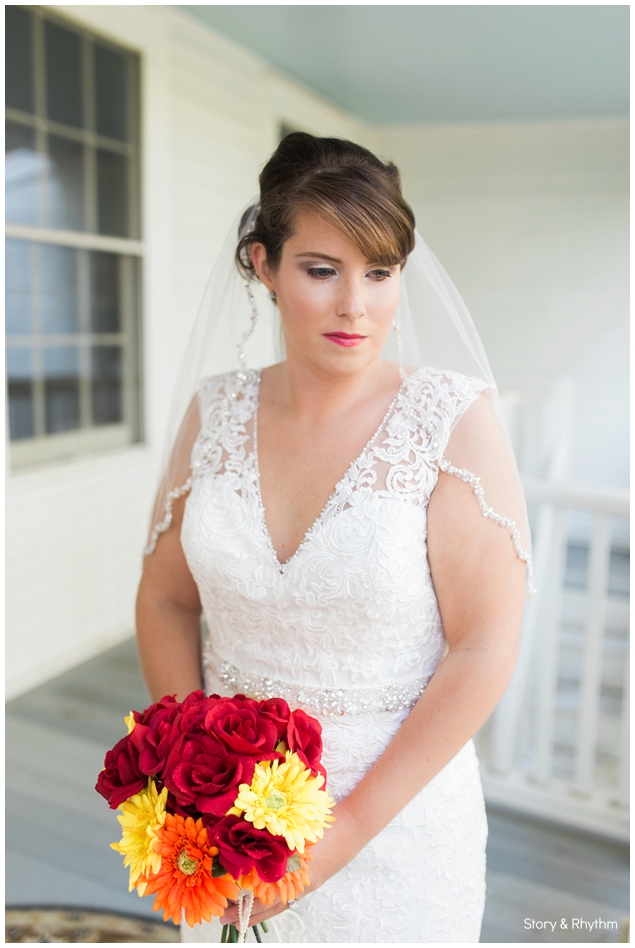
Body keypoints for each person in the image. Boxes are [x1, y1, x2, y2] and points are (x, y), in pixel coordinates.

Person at [136, 133, 532, 943]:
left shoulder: (448, 419)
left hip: (396, 830)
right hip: (227, 832)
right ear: (263, 265)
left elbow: (484, 646)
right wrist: (189, 777)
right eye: (322, 270)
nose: (358, 304)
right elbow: (166, 599)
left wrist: (333, 845)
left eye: (380, 272)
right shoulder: (214, 412)